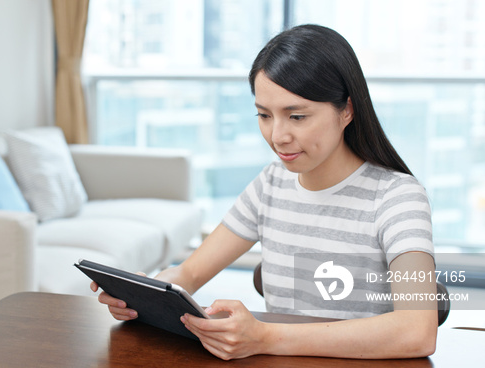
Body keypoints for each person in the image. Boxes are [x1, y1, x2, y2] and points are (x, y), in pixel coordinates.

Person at [91, 24, 437, 360]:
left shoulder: (397, 198)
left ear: (346, 110)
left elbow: (416, 330)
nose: (277, 136)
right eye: (264, 115)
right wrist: (144, 294)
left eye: (297, 116)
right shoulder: (272, 183)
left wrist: (266, 336)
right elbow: (189, 274)